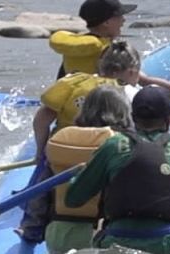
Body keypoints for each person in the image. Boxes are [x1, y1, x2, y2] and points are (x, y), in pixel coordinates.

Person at [63, 86, 170, 254]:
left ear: (133, 117)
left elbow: (73, 199)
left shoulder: (113, 145)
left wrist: (82, 174)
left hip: (117, 242)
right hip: (168, 244)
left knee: (100, 226)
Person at [19, 42, 146, 244]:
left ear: (100, 65)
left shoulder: (73, 82)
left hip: (66, 148)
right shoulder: (130, 92)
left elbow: (41, 120)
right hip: (110, 151)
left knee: (43, 180)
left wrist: (41, 152)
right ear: (132, 71)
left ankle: (31, 226)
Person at [51, 0, 170, 97]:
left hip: (74, 108)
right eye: (119, 16)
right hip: (102, 109)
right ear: (107, 22)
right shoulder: (108, 50)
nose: (123, 20)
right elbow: (142, 80)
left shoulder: (76, 47)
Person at [43, 86, 135, 254]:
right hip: (101, 234)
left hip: (59, 235)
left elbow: (43, 193)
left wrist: (31, 230)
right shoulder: (123, 145)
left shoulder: (62, 138)